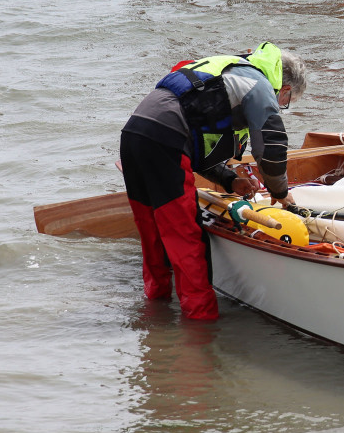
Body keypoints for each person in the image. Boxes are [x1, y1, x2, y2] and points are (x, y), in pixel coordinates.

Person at [119, 42, 308, 320]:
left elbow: (199, 144)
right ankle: (201, 325)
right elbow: (270, 149)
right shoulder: (259, 85)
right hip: (166, 141)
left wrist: (231, 181)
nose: (281, 106)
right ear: (286, 90)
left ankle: (155, 313)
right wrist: (281, 194)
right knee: (186, 237)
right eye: (286, 103)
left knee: (153, 230)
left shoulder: (232, 70)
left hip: (135, 134)